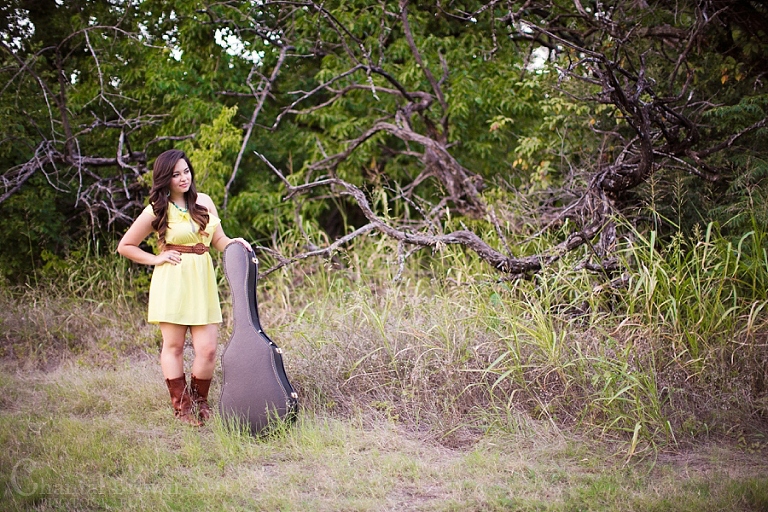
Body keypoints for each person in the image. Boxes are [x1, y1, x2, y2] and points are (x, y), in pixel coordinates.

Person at [118, 149, 251, 426]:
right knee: (174, 346)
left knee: (208, 349)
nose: (183, 178)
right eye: (176, 174)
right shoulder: (156, 210)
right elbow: (126, 246)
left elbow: (219, 240)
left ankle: (200, 401)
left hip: (202, 283)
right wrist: (156, 258)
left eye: (186, 171)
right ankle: (182, 407)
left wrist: (236, 243)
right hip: (172, 282)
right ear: (165, 178)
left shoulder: (204, 202)